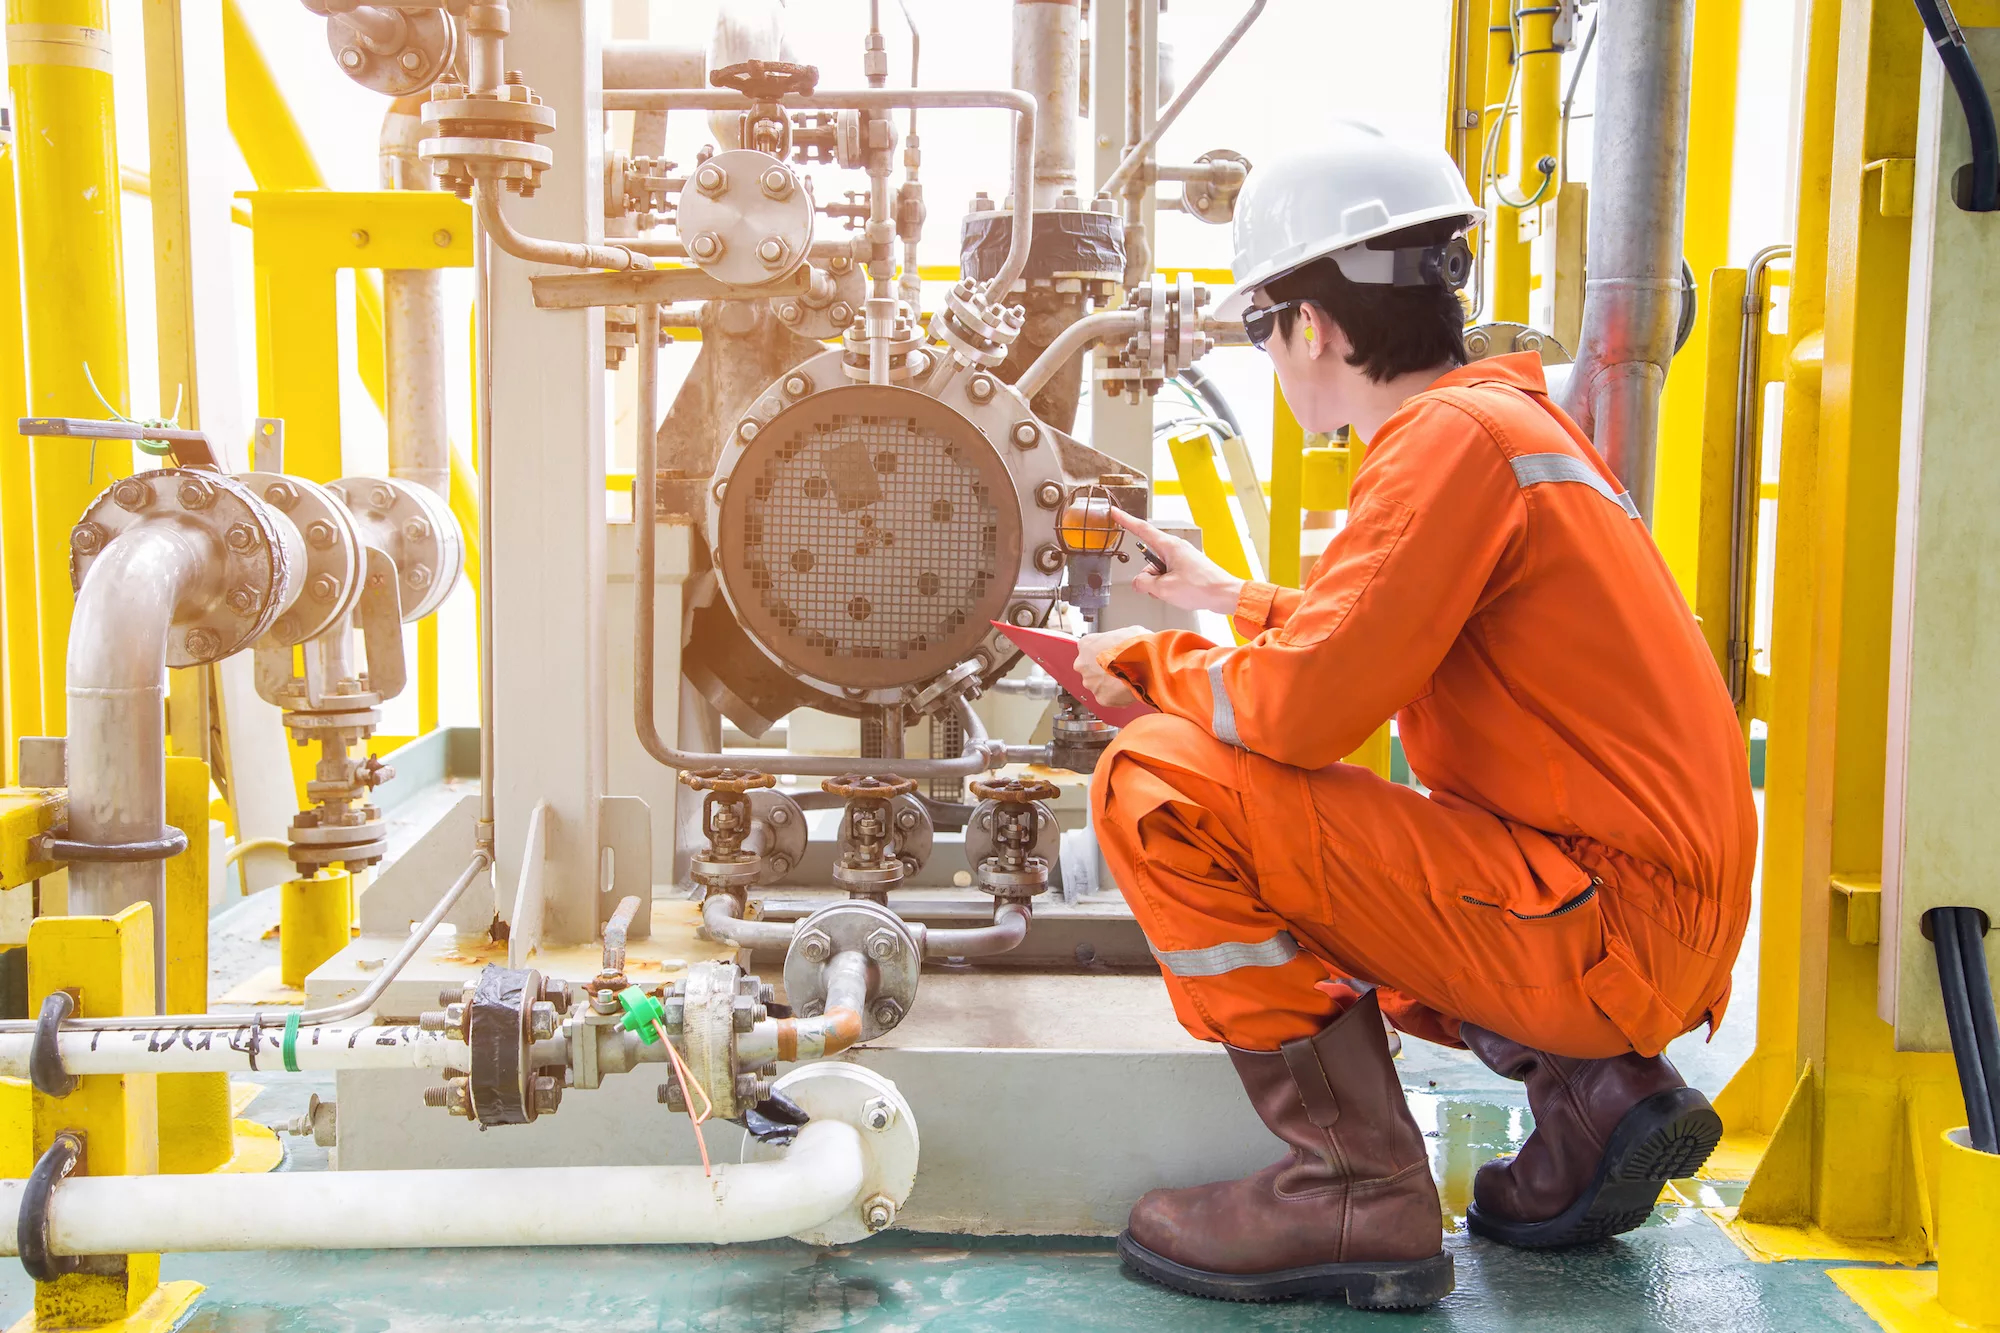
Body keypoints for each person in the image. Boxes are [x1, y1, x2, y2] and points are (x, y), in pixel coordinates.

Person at [1073, 122, 1755, 1310]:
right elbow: (1387, 627)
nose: (1269, 356)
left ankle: (1350, 1186)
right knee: (1321, 839)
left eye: (1257, 327)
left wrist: (1141, 661)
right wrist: (1227, 595)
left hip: (1603, 925)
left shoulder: (1440, 446)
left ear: (1315, 327)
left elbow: (1297, 714)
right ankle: (1593, 1098)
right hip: (1636, 913)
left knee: (1161, 779)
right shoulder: (1497, 430)